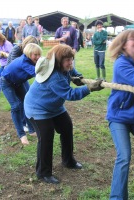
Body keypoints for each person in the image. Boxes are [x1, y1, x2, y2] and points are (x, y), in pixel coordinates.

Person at [24, 44, 103, 184]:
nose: (70, 62)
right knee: (47, 136)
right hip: (38, 109)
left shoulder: (62, 67)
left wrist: (77, 76)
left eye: (71, 59)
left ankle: (68, 161)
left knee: (66, 127)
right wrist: (89, 88)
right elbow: (70, 94)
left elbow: (71, 71)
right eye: (67, 60)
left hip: (54, 106)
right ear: (59, 60)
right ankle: (43, 173)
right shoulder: (54, 76)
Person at [106, 29, 134, 199]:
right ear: (123, 46)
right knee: (124, 157)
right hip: (119, 117)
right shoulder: (121, 64)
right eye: (132, 39)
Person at [0, 43, 42, 145]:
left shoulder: (32, 60)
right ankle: (22, 135)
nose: (37, 57)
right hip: (7, 82)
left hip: (18, 83)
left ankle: (31, 130)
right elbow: (39, 74)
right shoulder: (25, 62)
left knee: (26, 103)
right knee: (16, 106)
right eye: (35, 55)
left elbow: (44, 64)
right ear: (28, 53)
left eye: (39, 55)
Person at [6, 35, 39, 132]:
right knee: (19, 103)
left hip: (22, 78)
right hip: (12, 78)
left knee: (27, 98)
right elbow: (14, 64)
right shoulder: (17, 49)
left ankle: (30, 123)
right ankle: (23, 123)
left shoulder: (30, 54)